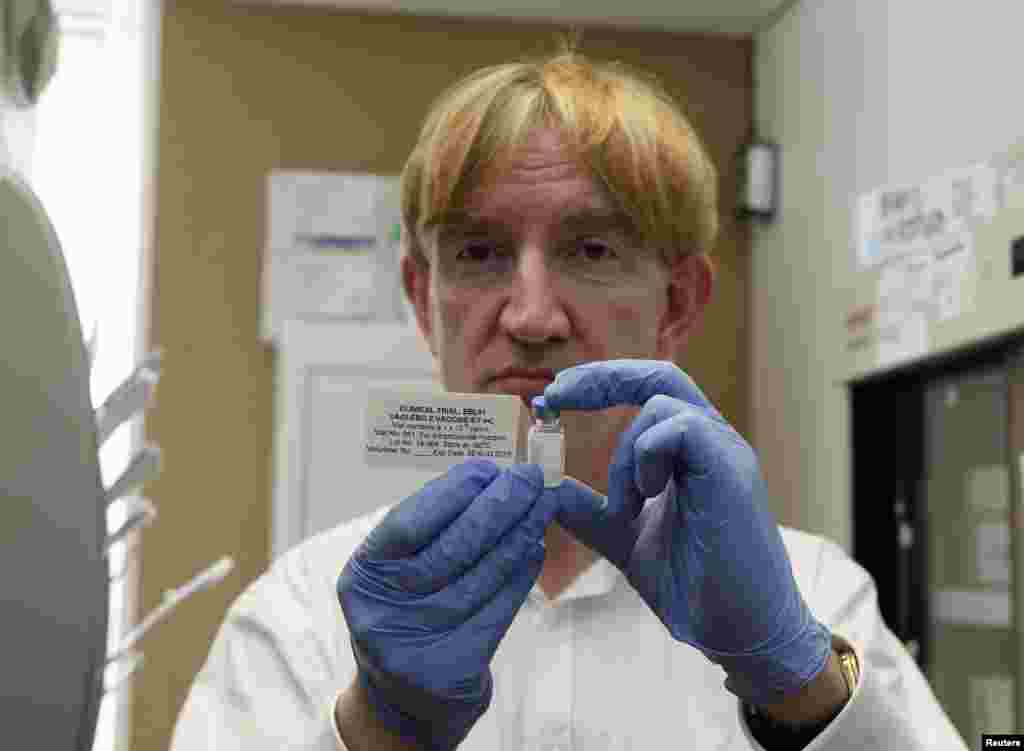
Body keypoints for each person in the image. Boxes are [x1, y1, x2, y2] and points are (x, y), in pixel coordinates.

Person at [171, 44, 967, 751]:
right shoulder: (300, 619)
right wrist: (378, 729)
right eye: (478, 253)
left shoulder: (814, 595)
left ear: (679, 304)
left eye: (590, 250)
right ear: (423, 299)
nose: (529, 316)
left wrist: (799, 684)